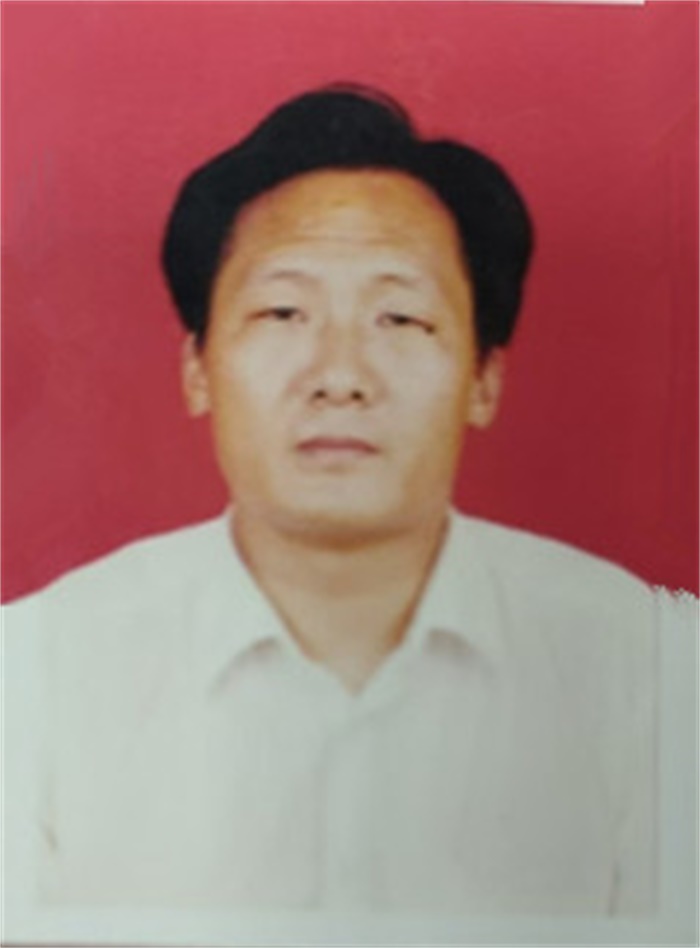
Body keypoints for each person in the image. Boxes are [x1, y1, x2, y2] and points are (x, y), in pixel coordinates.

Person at [2, 84, 695, 917]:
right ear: (197, 368)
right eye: (283, 311)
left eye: (399, 319)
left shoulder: (651, 673)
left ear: (484, 379)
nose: (339, 376)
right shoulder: (36, 672)